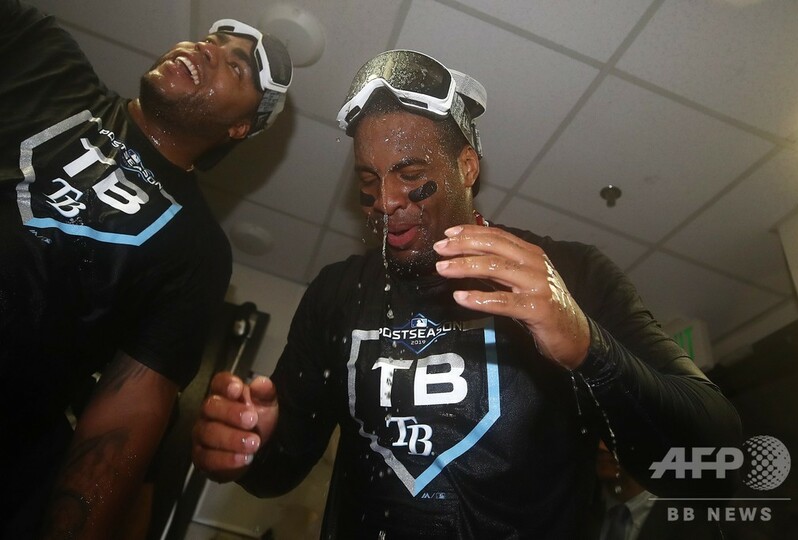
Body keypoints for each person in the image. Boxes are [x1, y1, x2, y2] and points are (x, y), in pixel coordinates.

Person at [191, 49, 741, 539]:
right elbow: (278, 472)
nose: (386, 200)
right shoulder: (337, 294)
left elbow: (715, 460)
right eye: (368, 182)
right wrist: (249, 446)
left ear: (467, 166)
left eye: (410, 174)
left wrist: (588, 348)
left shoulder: (572, 274)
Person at [0, 1, 292, 538]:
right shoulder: (47, 61)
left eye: (236, 66)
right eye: (213, 40)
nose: (209, 49)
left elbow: (119, 425)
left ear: (239, 127)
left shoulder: (198, 252)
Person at [591, 440, 723, 540]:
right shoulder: (583, 507)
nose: (602, 447)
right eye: (599, 434)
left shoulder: (691, 520)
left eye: (614, 436)